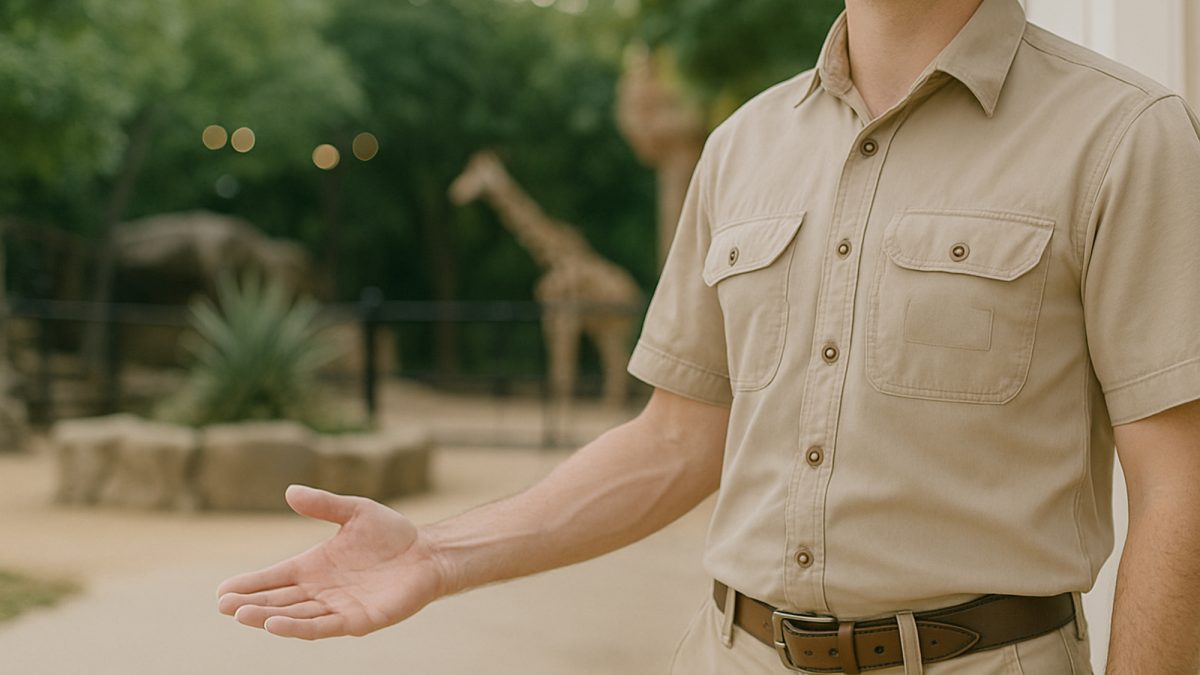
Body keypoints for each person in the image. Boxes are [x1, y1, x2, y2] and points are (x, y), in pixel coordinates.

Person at [217, 0, 1200, 672]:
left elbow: (1180, 486)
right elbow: (678, 440)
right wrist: (437, 552)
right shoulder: (744, 147)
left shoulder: (1125, 136)